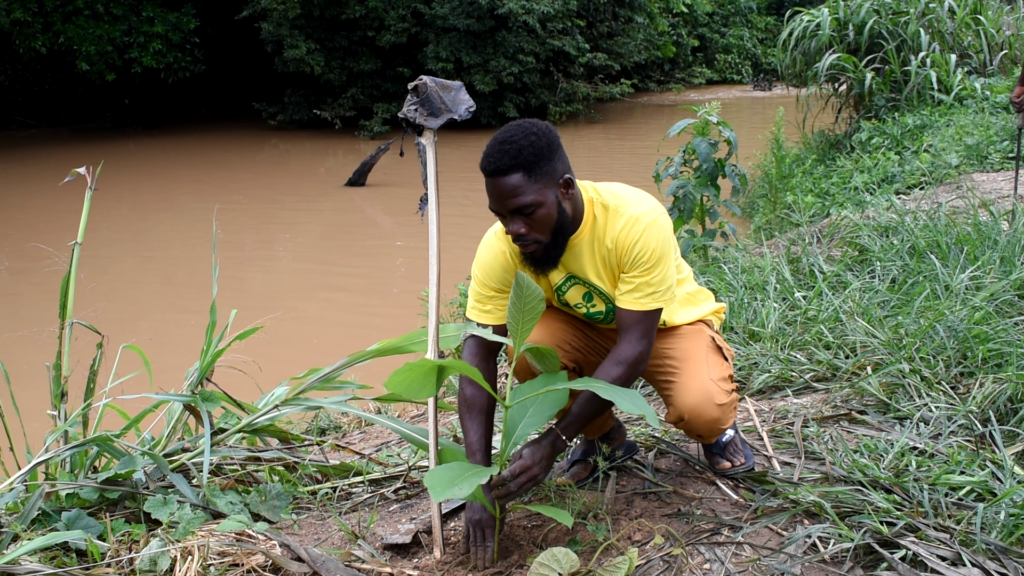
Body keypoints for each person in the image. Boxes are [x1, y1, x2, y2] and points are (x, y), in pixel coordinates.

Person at [456, 118, 755, 569]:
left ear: (565, 188)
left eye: (525, 211)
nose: (513, 229)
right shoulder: (502, 246)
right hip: (585, 329)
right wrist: (476, 482)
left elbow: (634, 348)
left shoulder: (634, 219)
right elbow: (478, 357)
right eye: (501, 216)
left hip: (662, 328)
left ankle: (720, 433)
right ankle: (604, 440)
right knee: (528, 347)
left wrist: (552, 443)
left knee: (703, 407)